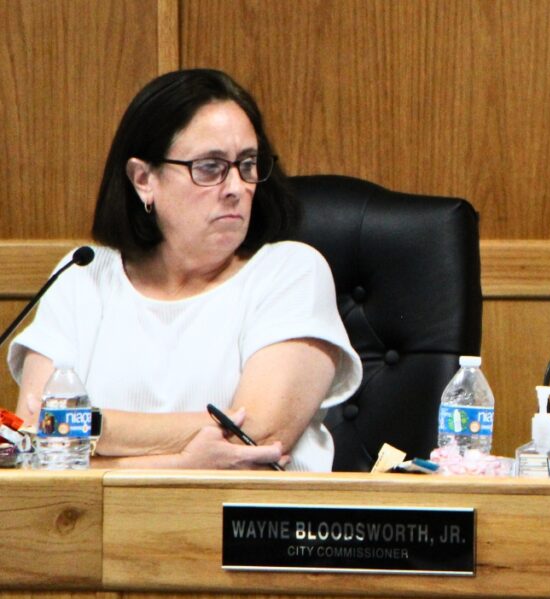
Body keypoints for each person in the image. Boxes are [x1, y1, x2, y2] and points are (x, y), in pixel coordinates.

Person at [8, 69, 361, 472]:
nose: (237, 187)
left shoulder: (290, 272)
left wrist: (88, 427)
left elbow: (256, 436)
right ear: (144, 180)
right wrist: (181, 464)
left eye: (247, 164)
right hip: (94, 530)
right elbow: (37, 442)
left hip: (243, 528)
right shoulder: (82, 275)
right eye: (210, 167)